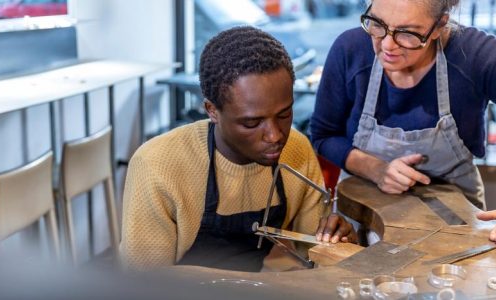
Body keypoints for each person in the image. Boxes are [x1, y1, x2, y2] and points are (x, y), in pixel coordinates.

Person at [121, 26, 356, 271]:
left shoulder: (296, 150)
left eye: (284, 114)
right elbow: (145, 282)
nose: (275, 135)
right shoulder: (158, 164)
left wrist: (336, 244)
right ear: (212, 110)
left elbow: (313, 255)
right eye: (251, 123)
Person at [310, 0, 496, 244]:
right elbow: (324, 135)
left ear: (440, 25)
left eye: (407, 33)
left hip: (452, 224)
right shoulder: (351, 49)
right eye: (377, 23)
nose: (387, 45)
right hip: (362, 212)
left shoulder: (474, 55)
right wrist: (376, 169)